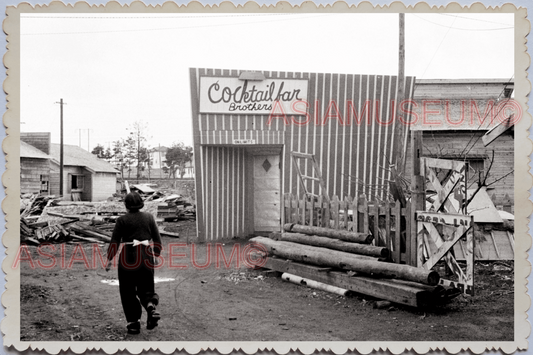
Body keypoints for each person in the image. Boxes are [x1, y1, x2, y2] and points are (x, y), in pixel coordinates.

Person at [105, 191, 162, 334]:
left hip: (128, 257)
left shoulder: (122, 220)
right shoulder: (149, 217)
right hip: (146, 255)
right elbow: (157, 239)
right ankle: (150, 306)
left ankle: (133, 324)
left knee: (128, 290)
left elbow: (115, 241)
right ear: (141, 204)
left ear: (126, 205)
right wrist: (155, 254)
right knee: (147, 286)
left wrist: (109, 259)